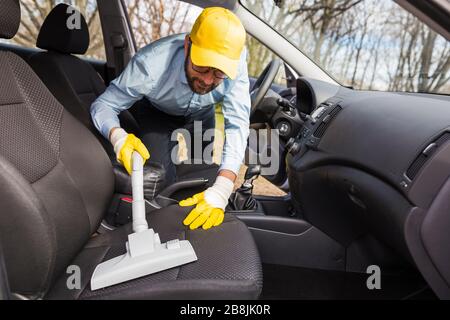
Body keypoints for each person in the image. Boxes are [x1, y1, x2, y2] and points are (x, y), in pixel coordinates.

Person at [91, 7, 250, 230]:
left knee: (206, 171)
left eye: (218, 74)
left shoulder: (237, 64)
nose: (206, 80)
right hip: (158, 113)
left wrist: (223, 187)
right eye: (201, 67)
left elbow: (237, 125)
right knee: (162, 177)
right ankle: (166, 225)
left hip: (201, 114)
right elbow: (104, 105)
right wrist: (118, 137)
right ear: (187, 46)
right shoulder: (150, 65)